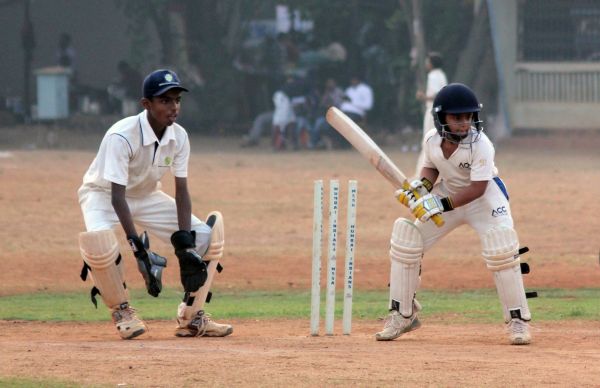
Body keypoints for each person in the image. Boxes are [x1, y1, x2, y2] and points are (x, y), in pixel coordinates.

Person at [77, 69, 233, 340]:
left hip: (148, 195)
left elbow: (181, 190)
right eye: (165, 101)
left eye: (176, 100)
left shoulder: (179, 136)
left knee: (207, 237)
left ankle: (191, 317)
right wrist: (138, 249)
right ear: (146, 104)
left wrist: (185, 245)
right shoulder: (122, 136)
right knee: (99, 244)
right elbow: (117, 197)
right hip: (102, 196)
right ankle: (123, 313)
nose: (173, 107)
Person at [375, 83, 532, 345]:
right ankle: (403, 314)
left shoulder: (482, 144)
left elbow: (478, 188)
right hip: (448, 193)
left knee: (502, 247)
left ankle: (518, 321)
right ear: (441, 118)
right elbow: (430, 168)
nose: (464, 123)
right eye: (457, 117)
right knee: (407, 239)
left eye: (468, 117)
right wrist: (421, 187)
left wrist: (439, 205)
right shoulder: (431, 140)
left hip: (483, 199)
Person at [415, 52, 447, 174]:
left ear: (431, 63)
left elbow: (435, 95)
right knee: (438, 141)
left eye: (427, 61)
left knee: (427, 141)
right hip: (442, 112)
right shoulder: (441, 75)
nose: (426, 64)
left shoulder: (432, 75)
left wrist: (422, 96)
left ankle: (421, 173)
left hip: (433, 111)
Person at [322, 75, 373, 149]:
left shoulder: (366, 89)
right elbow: (344, 102)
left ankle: (346, 145)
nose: (353, 81)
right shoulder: (349, 90)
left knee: (345, 123)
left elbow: (368, 106)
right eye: (352, 80)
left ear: (358, 80)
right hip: (344, 112)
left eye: (354, 80)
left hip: (357, 113)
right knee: (332, 122)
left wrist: (352, 102)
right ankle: (338, 144)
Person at [309, 78, 345, 148]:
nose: (330, 85)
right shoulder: (327, 92)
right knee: (317, 125)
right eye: (328, 83)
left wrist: (330, 104)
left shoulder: (339, 92)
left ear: (335, 83)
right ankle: (313, 143)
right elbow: (322, 104)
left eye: (331, 83)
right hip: (326, 115)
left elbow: (339, 104)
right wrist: (326, 94)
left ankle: (314, 143)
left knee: (320, 125)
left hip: (338, 115)